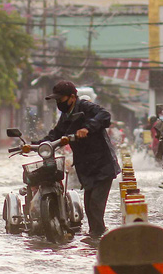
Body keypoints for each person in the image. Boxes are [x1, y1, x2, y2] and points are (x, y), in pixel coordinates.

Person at [41, 80, 121, 237]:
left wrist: (87, 128)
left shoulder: (86, 107)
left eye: (60, 99)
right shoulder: (65, 116)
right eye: (56, 100)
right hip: (86, 168)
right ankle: (94, 238)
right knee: (89, 207)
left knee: (95, 206)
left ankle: (99, 240)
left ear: (72, 97)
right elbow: (55, 134)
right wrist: (37, 144)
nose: (58, 102)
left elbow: (105, 116)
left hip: (102, 166)